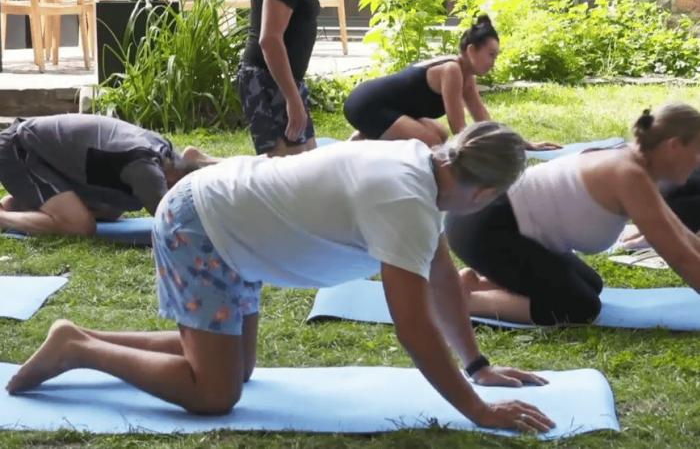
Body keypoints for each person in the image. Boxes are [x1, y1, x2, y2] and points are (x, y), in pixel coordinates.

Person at [7, 122, 555, 434]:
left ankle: (79, 340)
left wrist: (478, 366)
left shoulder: (423, 166)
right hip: (202, 226)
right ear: (485, 192)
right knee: (215, 393)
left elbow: (440, 277)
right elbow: (413, 328)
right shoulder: (406, 199)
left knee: (236, 370)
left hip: (237, 228)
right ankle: (80, 349)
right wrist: (476, 410)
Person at [445, 104, 700, 325]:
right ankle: (462, 302)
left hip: (492, 222)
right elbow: (679, 256)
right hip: (484, 227)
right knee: (578, 307)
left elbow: (681, 236)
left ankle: (476, 283)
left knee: (591, 286)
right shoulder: (628, 175)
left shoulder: (635, 166)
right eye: (698, 151)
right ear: (674, 146)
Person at [343, 15, 558, 150]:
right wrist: (487, 154)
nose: (494, 62)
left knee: (440, 134)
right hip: (366, 104)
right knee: (433, 144)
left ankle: (368, 135)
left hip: (388, 108)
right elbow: (460, 128)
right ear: (471, 50)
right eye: (491, 54)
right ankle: (366, 138)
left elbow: (483, 120)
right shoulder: (452, 70)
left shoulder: (467, 76)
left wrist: (522, 143)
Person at [0, 114, 201, 236]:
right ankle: (4, 218)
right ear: (174, 179)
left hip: (47, 154)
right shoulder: (145, 169)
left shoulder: (165, 152)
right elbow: (173, 223)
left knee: (112, 209)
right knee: (80, 226)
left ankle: (23, 203)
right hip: (18, 150)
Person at [238, 0, 319, 157]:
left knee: (309, 163)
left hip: (285, 79)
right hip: (266, 80)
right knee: (287, 171)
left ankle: (200, 159)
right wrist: (292, 98)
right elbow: (269, 40)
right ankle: (200, 163)